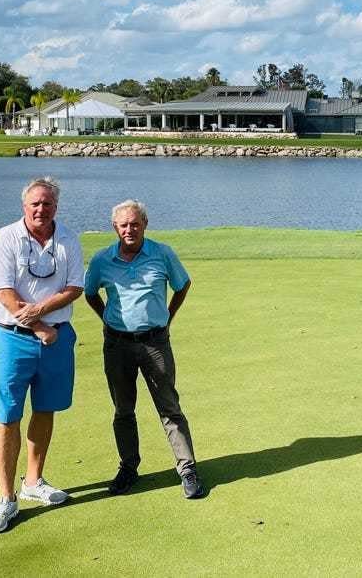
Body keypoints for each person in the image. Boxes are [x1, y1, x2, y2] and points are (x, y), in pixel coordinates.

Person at [0, 177, 85, 533]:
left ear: (56, 207)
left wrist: (39, 312)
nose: (41, 210)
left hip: (57, 339)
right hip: (14, 338)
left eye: (47, 204)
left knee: (45, 409)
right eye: (35, 204)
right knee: (8, 416)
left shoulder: (68, 239)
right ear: (24, 206)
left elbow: (74, 288)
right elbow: (3, 291)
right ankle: (6, 499)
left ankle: (33, 482)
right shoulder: (4, 238)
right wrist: (39, 325)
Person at [84, 199, 204, 499]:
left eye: (135, 224)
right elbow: (90, 294)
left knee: (169, 407)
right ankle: (128, 468)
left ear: (145, 225)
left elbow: (183, 285)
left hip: (155, 342)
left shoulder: (162, 254)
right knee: (123, 410)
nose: (129, 229)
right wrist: (108, 319)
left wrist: (166, 318)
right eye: (123, 225)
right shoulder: (102, 260)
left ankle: (187, 469)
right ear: (115, 227)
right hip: (117, 345)